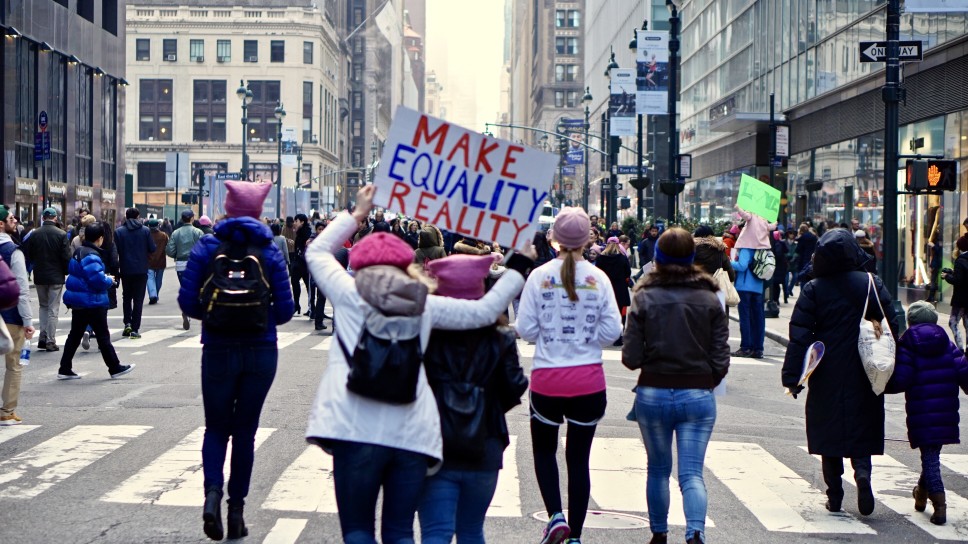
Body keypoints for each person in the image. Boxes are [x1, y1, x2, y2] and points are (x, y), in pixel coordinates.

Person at [304, 185, 532, 544]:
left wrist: (358, 214)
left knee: (358, 530)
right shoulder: (424, 303)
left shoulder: (348, 294)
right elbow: (486, 311)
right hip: (412, 433)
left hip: (352, 428)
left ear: (360, 265)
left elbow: (315, 251)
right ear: (406, 265)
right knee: (398, 532)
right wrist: (521, 262)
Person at [177, 181, 294, 541]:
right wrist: (259, 318)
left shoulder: (206, 246)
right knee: (245, 433)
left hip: (217, 348)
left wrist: (214, 318)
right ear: (259, 212)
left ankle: (212, 494)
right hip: (260, 350)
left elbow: (187, 302)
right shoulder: (270, 250)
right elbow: (287, 310)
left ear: (227, 209)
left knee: (215, 428)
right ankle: (237, 512)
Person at [516, 207, 622, 544]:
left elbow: (526, 329)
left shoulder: (538, 276)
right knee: (579, 460)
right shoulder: (599, 278)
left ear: (554, 239)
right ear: (588, 238)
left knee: (544, 452)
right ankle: (575, 535)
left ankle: (555, 516)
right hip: (588, 381)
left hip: (548, 379)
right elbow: (612, 331)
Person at [622, 228, 729, 544]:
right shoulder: (710, 298)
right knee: (692, 473)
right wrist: (708, 380)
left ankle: (659, 533)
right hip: (698, 392)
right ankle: (695, 531)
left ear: (657, 258)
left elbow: (630, 357)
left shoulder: (644, 297)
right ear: (692, 259)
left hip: (653, 391)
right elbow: (721, 355)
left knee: (657, 469)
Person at [781, 229, 898, 516]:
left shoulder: (814, 288)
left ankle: (834, 495)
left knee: (828, 431)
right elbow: (891, 323)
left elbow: (800, 335)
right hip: (864, 367)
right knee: (863, 424)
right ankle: (863, 474)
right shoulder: (872, 283)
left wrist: (792, 378)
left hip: (826, 368)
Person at [417, 253, 529, 544]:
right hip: (486, 441)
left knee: (436, 532)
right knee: (471, 530)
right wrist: (485, 403)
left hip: (434, 440)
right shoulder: (500, 336)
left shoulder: (425, 331)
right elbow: (515, 386)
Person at [885, 301, 968, 526]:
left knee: (930, 459)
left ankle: (940, 507)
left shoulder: (908, 344)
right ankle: (920, 495)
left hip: (922, 414)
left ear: (911, 321)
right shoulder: (948, 344)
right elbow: (965, 374)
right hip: (946, 414)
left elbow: (900, 380)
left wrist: (880, 385)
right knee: (931, 456)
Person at [56, 223, 134, 380]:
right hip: (92, 301)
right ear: (100, 239)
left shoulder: (79, 251)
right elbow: (96, 280)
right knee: (103, 336)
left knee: (75, 335)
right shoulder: (92, 255)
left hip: (80, 301)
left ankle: (65, 368)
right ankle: (114, 367)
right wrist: (109, 279)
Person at [0, 208, 34, 426]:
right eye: (11, 218)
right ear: (1, 224)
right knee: (14, 364)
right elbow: (21, 288)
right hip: (10, 315)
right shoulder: (14, 251)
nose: (15, 221)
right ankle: (6, 412)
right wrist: (28, 321)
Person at [22, 207, 69, 352]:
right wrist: (66, 271)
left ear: (43, 218)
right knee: (53, 308)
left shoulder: (34, 234)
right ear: (55, 218)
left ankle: (42, 336)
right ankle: (50, 339)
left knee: (43, 306)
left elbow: (28, 253)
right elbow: (66, 256)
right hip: (56, 275)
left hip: (40, 274)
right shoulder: (61, 234)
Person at [731, 210, 772, 359]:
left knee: (746, 318)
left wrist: (728, 262)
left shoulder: (746, 247)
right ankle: (758, 348)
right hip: (758, 287)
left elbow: (741, 266)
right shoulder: (761, 246)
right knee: (758, 318)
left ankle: (746, 347)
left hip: (744, 286)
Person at [115, 208, 156, 339]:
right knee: (138, 299)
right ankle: (135, 328)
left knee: (126, 297)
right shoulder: (145, 231)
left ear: (126, 217)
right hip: (141, 269)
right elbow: (152, 248)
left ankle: (127, 323)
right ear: (138, 216)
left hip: (126, 269)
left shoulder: (119, 232)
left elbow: (116, 251)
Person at [167, 211, 204, 330]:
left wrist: (176, 255)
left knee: (184, 287)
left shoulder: (176, 233)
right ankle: (191, 310)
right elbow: (204, 248)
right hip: (195, 263)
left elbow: (169, 250)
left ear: (182, 219)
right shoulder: (198, 232)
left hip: (181, 264)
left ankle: (186, 312)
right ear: (192, 218)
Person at [596, 237, 632, 347]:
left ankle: (603, 335)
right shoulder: (622, 258)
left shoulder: (601, 258)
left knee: (604, 312)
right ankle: (619, 337)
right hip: (620, 288)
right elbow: (628, 272)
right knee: (621, 313)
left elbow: (597, 272)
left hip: (605, 289)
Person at [943, 235, 968, 351]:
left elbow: (958, 280)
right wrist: (954, 272)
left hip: (960, 299)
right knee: (967, 324)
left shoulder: (960, 260)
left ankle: (960, 348)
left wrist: (947, 276)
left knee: (953, 323)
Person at [291, 214, 312, 315]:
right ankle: (297, 305)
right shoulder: (299, 233)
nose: (294, 223)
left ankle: (311, 307)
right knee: (295, 282)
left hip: (304, 263)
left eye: (296, 221)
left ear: (302, 222)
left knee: (308, 285)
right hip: (298, 262)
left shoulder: (306, 233)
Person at [146, 218, 169, 305]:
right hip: (161, 260)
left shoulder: (147, 235)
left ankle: (153, 295)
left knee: (150, 278)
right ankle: (156, 294)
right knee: (158, 279)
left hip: (149, 260)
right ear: (158, 226)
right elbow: (168, 245)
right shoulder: (164, 235)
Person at [770, 230, 790, 305]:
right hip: (781, 267)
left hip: (777, 267)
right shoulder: (781, 243)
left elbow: (778, 255)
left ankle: (775, 299)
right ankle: (781, 298)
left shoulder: (776, 244)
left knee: (775, 284)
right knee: (780, 283)